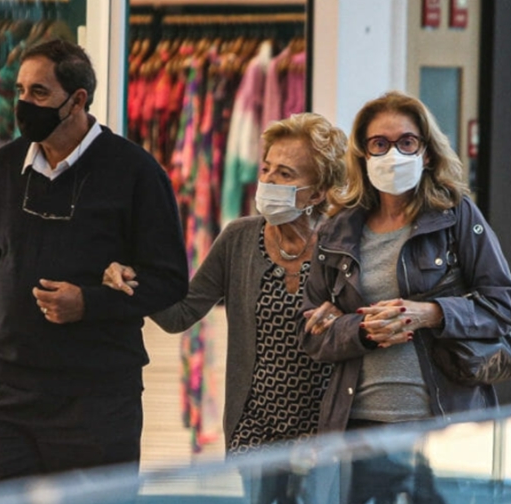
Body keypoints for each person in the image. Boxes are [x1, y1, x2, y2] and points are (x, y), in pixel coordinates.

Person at [0, 39, 188, 489]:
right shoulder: (5, 167)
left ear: (78, 100)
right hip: (6, 393)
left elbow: (169, 281)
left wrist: (89, 302)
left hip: (98, 401)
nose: (25, 104)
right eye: (21, 92)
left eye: (40, 93)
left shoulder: (136, 172)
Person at [103, 113, 347, 504]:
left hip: (323, 430)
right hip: (254, 430)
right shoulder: (240, 238)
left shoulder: (342, 244)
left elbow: (364, 327)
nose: (268, 180)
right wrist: (133, 277)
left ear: (317, 192)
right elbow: (180, 314)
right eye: (266, 168)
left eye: (285, 174)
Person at [299, 91, 511, 502]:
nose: (393, 154)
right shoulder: (337, 231)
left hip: (443, 421)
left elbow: (505, 305)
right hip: (358, 424)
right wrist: (360, 329)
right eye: (379, 144)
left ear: (427, 153)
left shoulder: (455, 216)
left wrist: (431, 313)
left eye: (406, 142)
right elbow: (311, 333)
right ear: (363, 155)